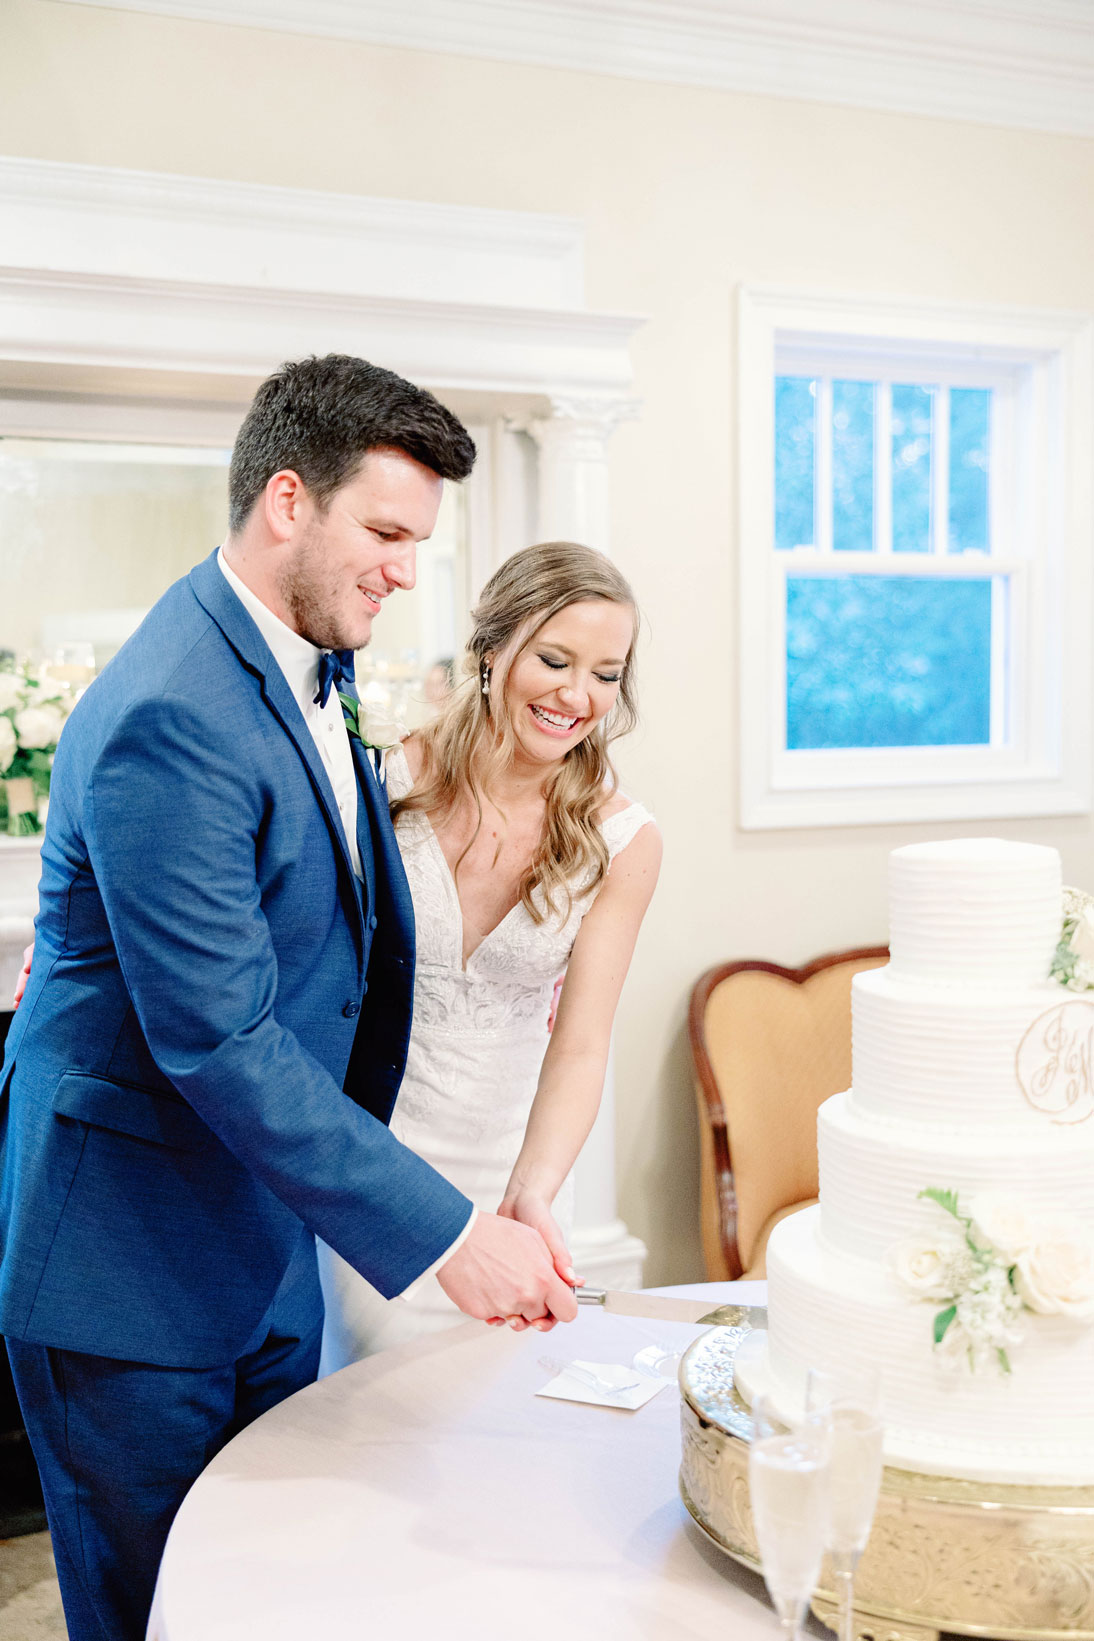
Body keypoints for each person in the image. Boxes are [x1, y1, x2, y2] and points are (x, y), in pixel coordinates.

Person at [0, 354, 576, 1641]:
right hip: (129, 1274)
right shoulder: (174, 709)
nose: (403, 568)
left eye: (418, 541)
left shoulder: (306, 659)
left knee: (264, 1599)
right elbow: (215, 1038)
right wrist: (444, 1233)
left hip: (253, 1240)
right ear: (283, 503)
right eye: (382, 531)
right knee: (161, 1613)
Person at [318, 540, 660, 1367]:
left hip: (514, 1172)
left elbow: (580, 1045)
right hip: (373, 1168)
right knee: (364, 1421)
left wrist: (532, 1190)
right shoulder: (382, 783)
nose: (579, 695)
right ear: (490, 650)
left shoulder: (624, 841)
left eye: (607, 673)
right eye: (555, 659)